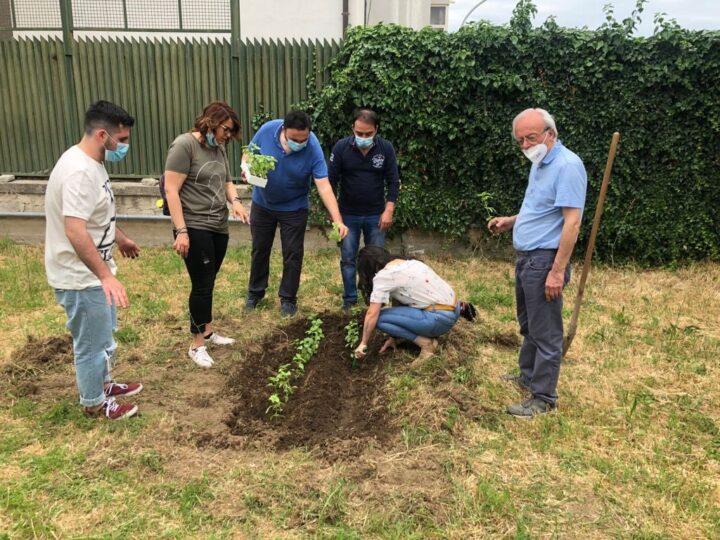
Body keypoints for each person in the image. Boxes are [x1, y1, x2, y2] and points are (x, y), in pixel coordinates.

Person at [45, 100, 142, 420]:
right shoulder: (78, 171)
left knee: (103, 336)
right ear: (103, 135)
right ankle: (94, 403)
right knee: (90, 343)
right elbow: (75, 230)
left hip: (93, 272)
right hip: (80, 276)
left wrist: (121, 237)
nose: (125, 146)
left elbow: (96, 216)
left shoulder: (93, 163)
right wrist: (105, 275)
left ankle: (104, 384)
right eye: (122, 140)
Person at [488, 108, 587, 418]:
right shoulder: (540, 164)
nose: (526, 145)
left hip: (545, 260)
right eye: (520, 141)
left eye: (531, 138)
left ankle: (543, 397)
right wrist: (511, 221)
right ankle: (528, 374)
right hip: (527, 259)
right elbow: (540, 209)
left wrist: (557, 271)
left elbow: (571, 223)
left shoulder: (567, 166)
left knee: (546, 332)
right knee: (529, 324)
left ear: (550, 134)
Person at [163, 101, 249, 368]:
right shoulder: (184, 146)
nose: (227, 136)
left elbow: (226, 180)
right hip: (194, 225)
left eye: (230, 132)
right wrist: (182, 231)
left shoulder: (218, 147)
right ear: (211, 122)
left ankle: (208, 331)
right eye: (225, 130)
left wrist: (235, 201)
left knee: (209, 280)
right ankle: (196, 344)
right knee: (201, 284)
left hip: (218, 226)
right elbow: (171, 190)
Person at [243, 110, 348, 317]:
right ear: (284, 130)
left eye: (303, 139)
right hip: (263, 204)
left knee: (293, 254)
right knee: (260, 249)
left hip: (294, 207)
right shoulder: (267, 130)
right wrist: (246, 168)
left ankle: (288, 299)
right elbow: (248, 153)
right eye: (294, 139)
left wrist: (338, 220)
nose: (299, 143)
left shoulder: (313, 146)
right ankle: (255, 293)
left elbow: (324, 185)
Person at [353, 246, 476, 365]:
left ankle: (427, 344)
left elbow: (371, 314)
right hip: (454, 309)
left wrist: (363, 343)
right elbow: (399, 303)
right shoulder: (410, 262)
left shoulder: (383, 276)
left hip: (439, 319)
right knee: (384, 314)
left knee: (378, 318)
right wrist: (394, 336)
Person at [329, 108, 400, 311]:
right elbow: (330, 182)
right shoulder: (341, 148)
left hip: (376, 216)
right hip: (347, 215)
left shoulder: (385, 148)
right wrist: (335, 216)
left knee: (377, 260)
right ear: (353, 128)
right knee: (348, 258)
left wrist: (389, 210)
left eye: (368, 134)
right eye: (359, 133)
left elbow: (393, 181)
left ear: (376, 130)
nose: (363, 137)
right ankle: (349, 300)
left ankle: (375, 300)